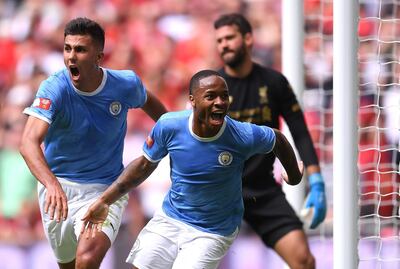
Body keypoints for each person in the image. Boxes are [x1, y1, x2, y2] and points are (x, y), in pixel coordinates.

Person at [80, 69, 304, 269]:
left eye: (224, 96)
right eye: (210, 96)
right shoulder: (170, 125)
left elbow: (277, 139)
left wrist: (293, 176)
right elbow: (143, 165)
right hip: (171, 218)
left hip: (213, 231)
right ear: (193, 100)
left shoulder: (240, 135)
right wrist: (104, 200)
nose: (220, 102)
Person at [19, 17, 167, 269]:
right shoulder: (55, 87)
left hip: (105, 190)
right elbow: (28, 143)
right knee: (70, 265)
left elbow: (161, 117)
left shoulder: (125, 84)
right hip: (59, 192)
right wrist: (52, 184)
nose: (71, 57)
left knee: (87, 260)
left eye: (80, 49)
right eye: (68, 49)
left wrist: (174, 140)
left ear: (99, 56)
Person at [213, 13, 327, 269]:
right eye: (219, 40)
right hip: (218, 191)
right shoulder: (212, 88)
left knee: (304, 260)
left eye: (229, 38)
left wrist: (316, 180)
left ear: (248, 39)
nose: (224, 45)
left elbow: (299, 131)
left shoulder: (274, 82)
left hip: (261, 189)